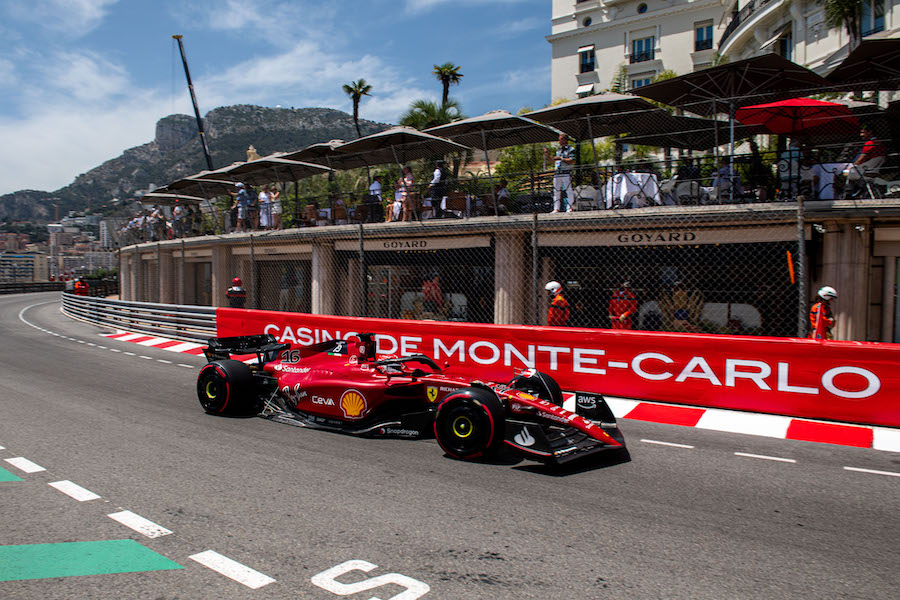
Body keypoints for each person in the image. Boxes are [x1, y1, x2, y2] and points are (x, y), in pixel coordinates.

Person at [844, 124, 887, 197]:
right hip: (874, 170)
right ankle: (860, 191)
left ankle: (848, 194)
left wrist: (852, 165)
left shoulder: (869, 144)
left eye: (863, 132)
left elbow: (861, 158)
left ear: (870, 132)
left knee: (848, 173)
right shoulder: (880, 143)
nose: (861, 135)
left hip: (866, 170)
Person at [544, 133, 575, 213]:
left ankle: (570, 207)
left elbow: (571, 161)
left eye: (560, 139)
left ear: (565, 140)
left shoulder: (571, 150)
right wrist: (548, 156)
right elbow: (553, 162)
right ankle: (556, 208)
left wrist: (561, 159)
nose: (559, 142)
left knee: (568, 190)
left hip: (566, 172)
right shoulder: (559, 151)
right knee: (556, 190)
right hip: (557, 173)